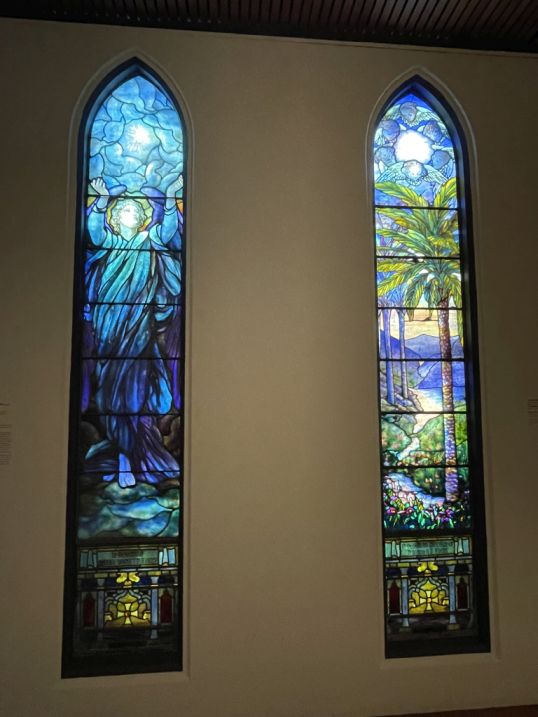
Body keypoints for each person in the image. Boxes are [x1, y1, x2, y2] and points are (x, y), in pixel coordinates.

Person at [83, 175, 183, 487]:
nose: (130, 213)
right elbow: (95, 232)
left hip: (140, 331)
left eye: (135, 211)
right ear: (115, 218)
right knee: (111, 395)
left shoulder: (148, 243)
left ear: (142, 219)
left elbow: (167, 231)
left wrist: (170, 196)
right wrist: (101, 201)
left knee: (139, 394)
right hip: (109, 331)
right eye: (124, 210)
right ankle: (124, 455)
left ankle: (135, 457)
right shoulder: (109, 245)